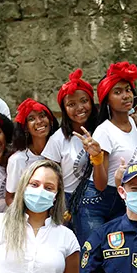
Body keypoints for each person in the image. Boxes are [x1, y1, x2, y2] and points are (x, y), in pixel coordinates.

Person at [74, 62, 137, 244]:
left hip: (124, 198)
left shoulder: (134, 124)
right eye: (118, 92)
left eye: (128, 89)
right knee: (93, 258)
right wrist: (96, 158)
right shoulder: (104, 131)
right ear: (107, 99)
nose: (126, 95)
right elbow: (100, 184)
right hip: (97, 202)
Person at [43, 69, 99, 237]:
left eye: (84, 101)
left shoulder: (102, 131)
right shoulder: (58, 140)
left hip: (97, 199)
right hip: (67, 201)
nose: (79, 108)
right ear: (64, 109)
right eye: (71, 104)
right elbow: (49, 176)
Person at [6, 98, 58, 205]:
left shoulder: (60, 149)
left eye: (42, 116)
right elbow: (10, 198)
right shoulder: (17, 160)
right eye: (31, 119)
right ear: (25, 128)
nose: (39, 121)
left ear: (50, 120)